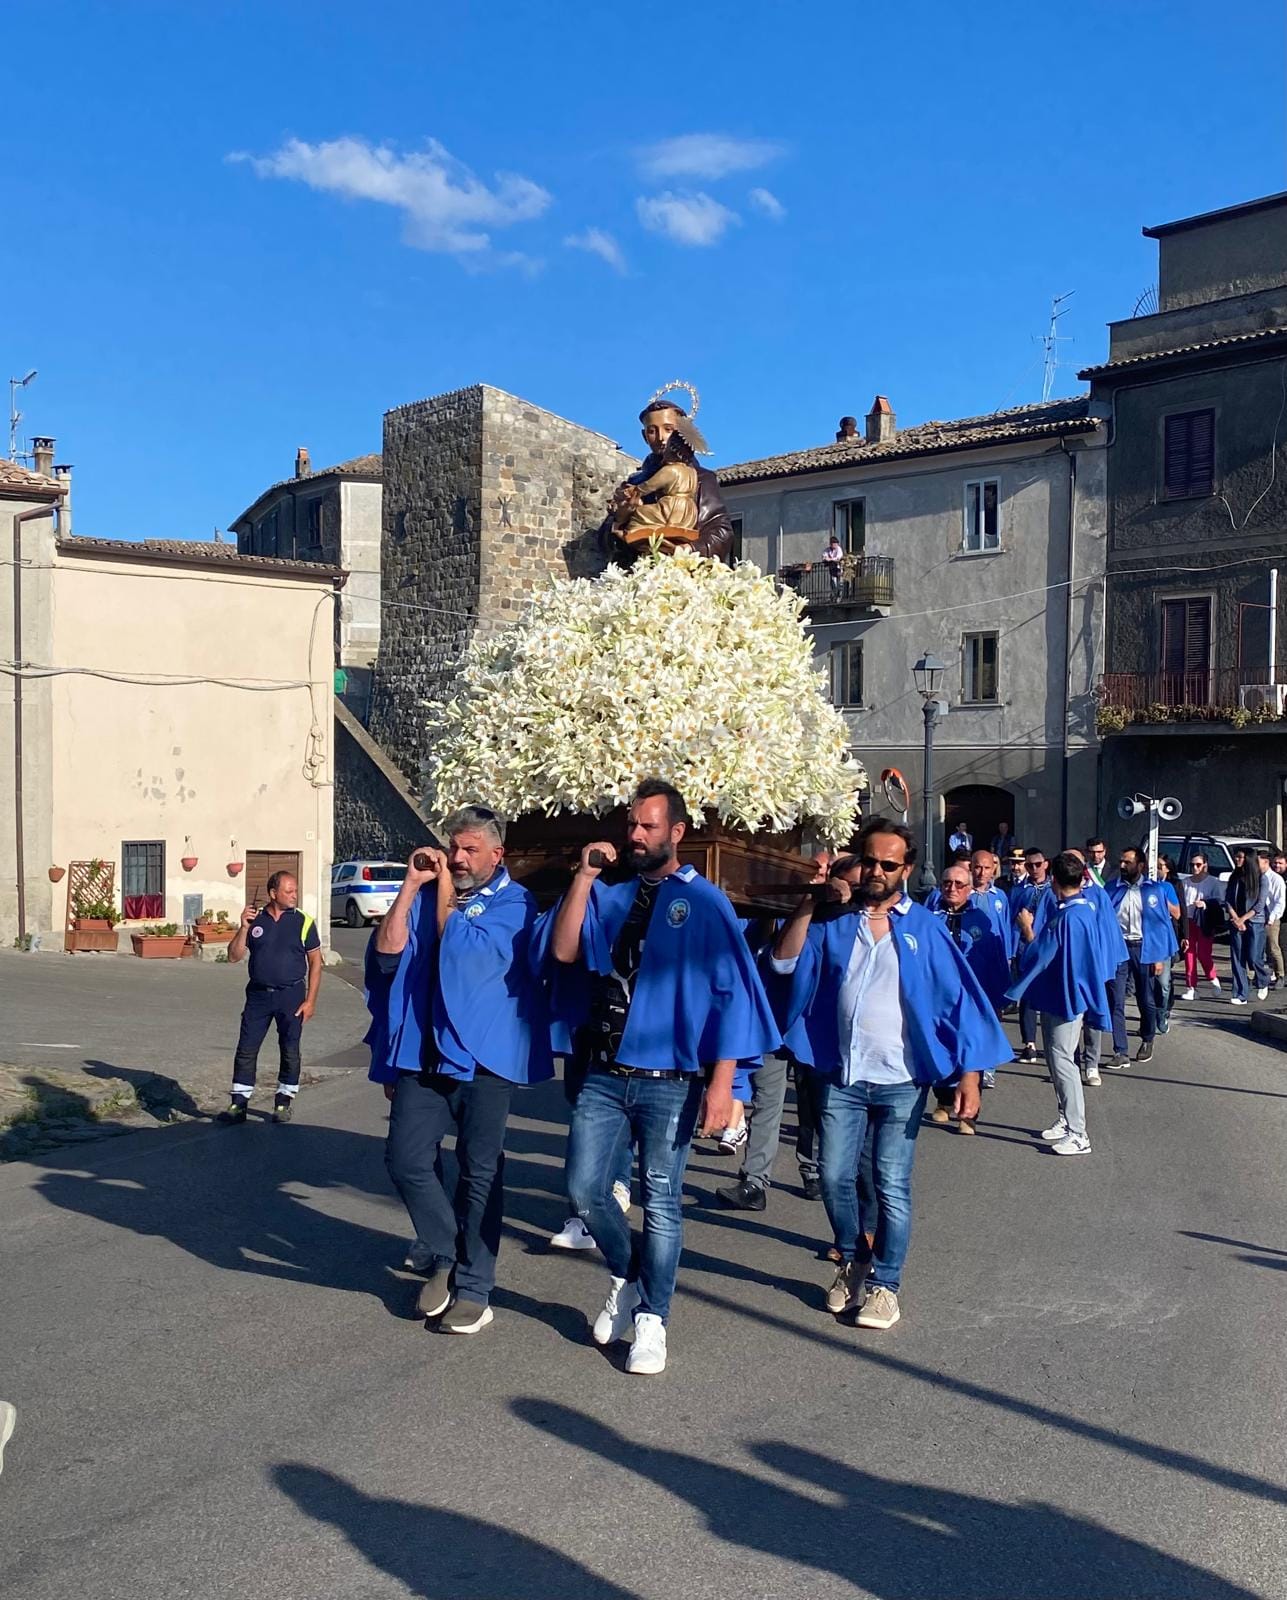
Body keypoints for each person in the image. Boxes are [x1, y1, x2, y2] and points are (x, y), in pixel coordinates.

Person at [544, 779, 779, 1376]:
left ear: (677, 832)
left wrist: (725, 1086)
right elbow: (565, 950)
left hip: (670, 1079)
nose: (636, 835)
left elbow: (732, 997)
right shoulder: (613, 893)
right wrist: (584, 876)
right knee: (584, 1190)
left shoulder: (705, 902)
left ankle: (653, 1319)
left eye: (648, 826)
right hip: (604, 1072)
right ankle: (627, 1275)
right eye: (632, 824)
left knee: (662, 1202)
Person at [769, 819, 1008, 1332]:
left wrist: (969, 1076)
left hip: (902, 1081)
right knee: (833, 1176)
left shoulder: (925, 927)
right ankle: (854, 1259)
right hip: (842, 1075)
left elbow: (960, 1001)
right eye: (870, 861)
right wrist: (811, 900)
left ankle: (886, 1286)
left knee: (890, 1184)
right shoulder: (835, 922)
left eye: (888, 864)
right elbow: (784, 964)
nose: (877, 871)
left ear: (907, 869)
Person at [368, 808, 553, 1335]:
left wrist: (444, 887)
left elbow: (465, 955)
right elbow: (386, 953)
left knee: (479, 1173)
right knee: (405, 1159)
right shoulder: (430, 894)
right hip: (421, 1054)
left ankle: (475, 1289)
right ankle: (449, 1254)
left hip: (484, 1059)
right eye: (454, 847)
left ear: (497, 854)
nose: (457, 858)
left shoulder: (515, 903)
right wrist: (411, 886)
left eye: (470, 849)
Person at [1007, 851, 1112, 1156]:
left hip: (1065, 996)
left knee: (1063, 1061)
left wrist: (1027, 929)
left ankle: (1079, 1133)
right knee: (1057, 1059)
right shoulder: (1081, 910)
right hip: (1062, 994)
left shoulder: (1069, 917)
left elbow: (1041, 954)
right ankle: (1067, 1119)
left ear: (1054, 879)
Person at [219, 871, 322, 1125]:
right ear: (273, 894)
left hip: (292, 995)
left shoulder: (304, 921)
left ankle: (283, 1101)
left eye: (295, 890)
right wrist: (244, 927)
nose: (294, 895)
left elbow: (316, 962)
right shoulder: (256, 920)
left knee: (290, 1049)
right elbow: (233, 956)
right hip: (258, 996)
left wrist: (310, 1000)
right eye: (289, 891)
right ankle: (239, 1103)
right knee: (246, 1048)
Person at [600, 396, 734, 565]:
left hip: (685, 571)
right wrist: (621, 518)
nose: (661, 438)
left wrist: (685, 550)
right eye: (652, 431)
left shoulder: (702, 479)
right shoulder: (636, 481)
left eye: (668, 429)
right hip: (641, 571)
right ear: (644, 436)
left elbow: (722, 531)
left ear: (682, 434)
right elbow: (605, 542)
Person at [927, 863, 1010, 1128]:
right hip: (939, 997)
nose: (952, 889)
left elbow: (995, 956)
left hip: (974, 996)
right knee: (943, 1047)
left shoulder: (981, 918)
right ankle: (943, 1100)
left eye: (959, 884)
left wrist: (1000, 996)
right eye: (947, 883)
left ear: (969, 888)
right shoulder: (930, 917)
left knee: (973, 1049)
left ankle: (969, 1114)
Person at [1106, 847, 1174, 1061]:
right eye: (1121, 861)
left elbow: (1160, 926)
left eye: (1127, 862)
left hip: (1144, 948)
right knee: (1116, 999)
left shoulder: (1153, 890)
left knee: (1145, 998)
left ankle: (1147, 1038)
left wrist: (1159, 957)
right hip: (1119, 949)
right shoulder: (1111, 888)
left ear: (1141, 865)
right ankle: (1120, 1051)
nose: (1122, 865)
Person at [1009, 849, 1054, 1063]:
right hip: (1024, 948)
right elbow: (1011, 920)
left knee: (1048, 995)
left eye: (1037, 864)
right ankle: (1029, 1043)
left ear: (1045, 864)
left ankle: (1051, 1042)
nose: (1034, 869)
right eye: (1029, 865)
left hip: (1047, 947)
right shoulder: (1020, 890)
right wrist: (1010, 951)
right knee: (1026, 995)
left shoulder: (1053, 889)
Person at [1225, 848, 1271, 1005]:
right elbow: (1228, 900)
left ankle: (1263, 979)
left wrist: (1243, 919)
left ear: (1248, 859)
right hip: (1236, 921)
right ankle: (1240, 993)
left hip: (1254, 921)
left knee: (1253, 956)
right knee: (1237, 957)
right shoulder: (1235, 877)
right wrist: (1236, 918)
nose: (1237, 859)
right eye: (1236, 857)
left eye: (1240, 857)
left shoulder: (1262, 879)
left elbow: (1259, 904)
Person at [1180, 851, 1224, 999]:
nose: (1195, 868)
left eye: (1198, 865)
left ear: (1205, 865)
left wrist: (1205, 904)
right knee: (1189, 953)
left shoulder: (1213, 882)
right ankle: (1191, 987)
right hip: (1189, 920)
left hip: (1205, 920)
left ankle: (1212, 977)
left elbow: (1218, 901)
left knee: (1204, 953)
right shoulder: (1185, 882)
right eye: (1192, 865)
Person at [1153, 855, 1187, 1034]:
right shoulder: (1144, 885)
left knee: (1164, 983)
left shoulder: (1169, 886)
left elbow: (1179, 913)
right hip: (1146, 939)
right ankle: (1150, 1017)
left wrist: (1185, 936)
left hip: (1166, 938)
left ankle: (1162, 1012)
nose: (1157, 869)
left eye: (1160, 866)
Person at [1256, 847, 1285, 990]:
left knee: (1273, 948)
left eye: (1258, 862)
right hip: (1258, 917)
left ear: (1266, 862)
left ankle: (1281, 975)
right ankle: (1261, 975)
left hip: (1271, 917)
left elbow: (1280, 901)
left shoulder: (1276, 879)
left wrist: (1272, 918)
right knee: (1260, 948)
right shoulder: (1257, 877)